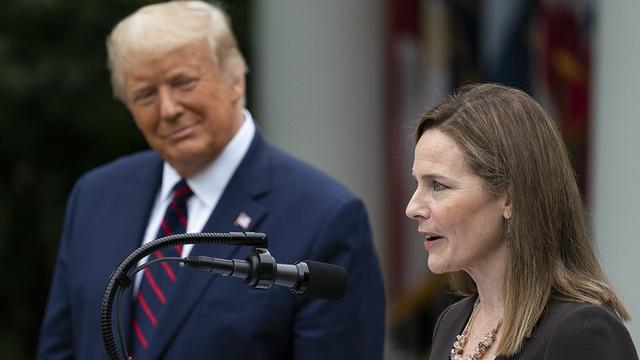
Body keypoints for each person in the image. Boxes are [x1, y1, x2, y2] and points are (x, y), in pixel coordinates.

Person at [37, 1, 385, 359]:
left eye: (183, 82)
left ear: (235, 79)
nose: (168, 109)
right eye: (145, 95)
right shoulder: (95, 198)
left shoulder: (325, 217)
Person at [405, 83, 638, 360]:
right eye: (417, 183)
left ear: (510, 197)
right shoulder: (452, 322)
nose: (413, 208)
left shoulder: (583, 332)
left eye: (438, 186)